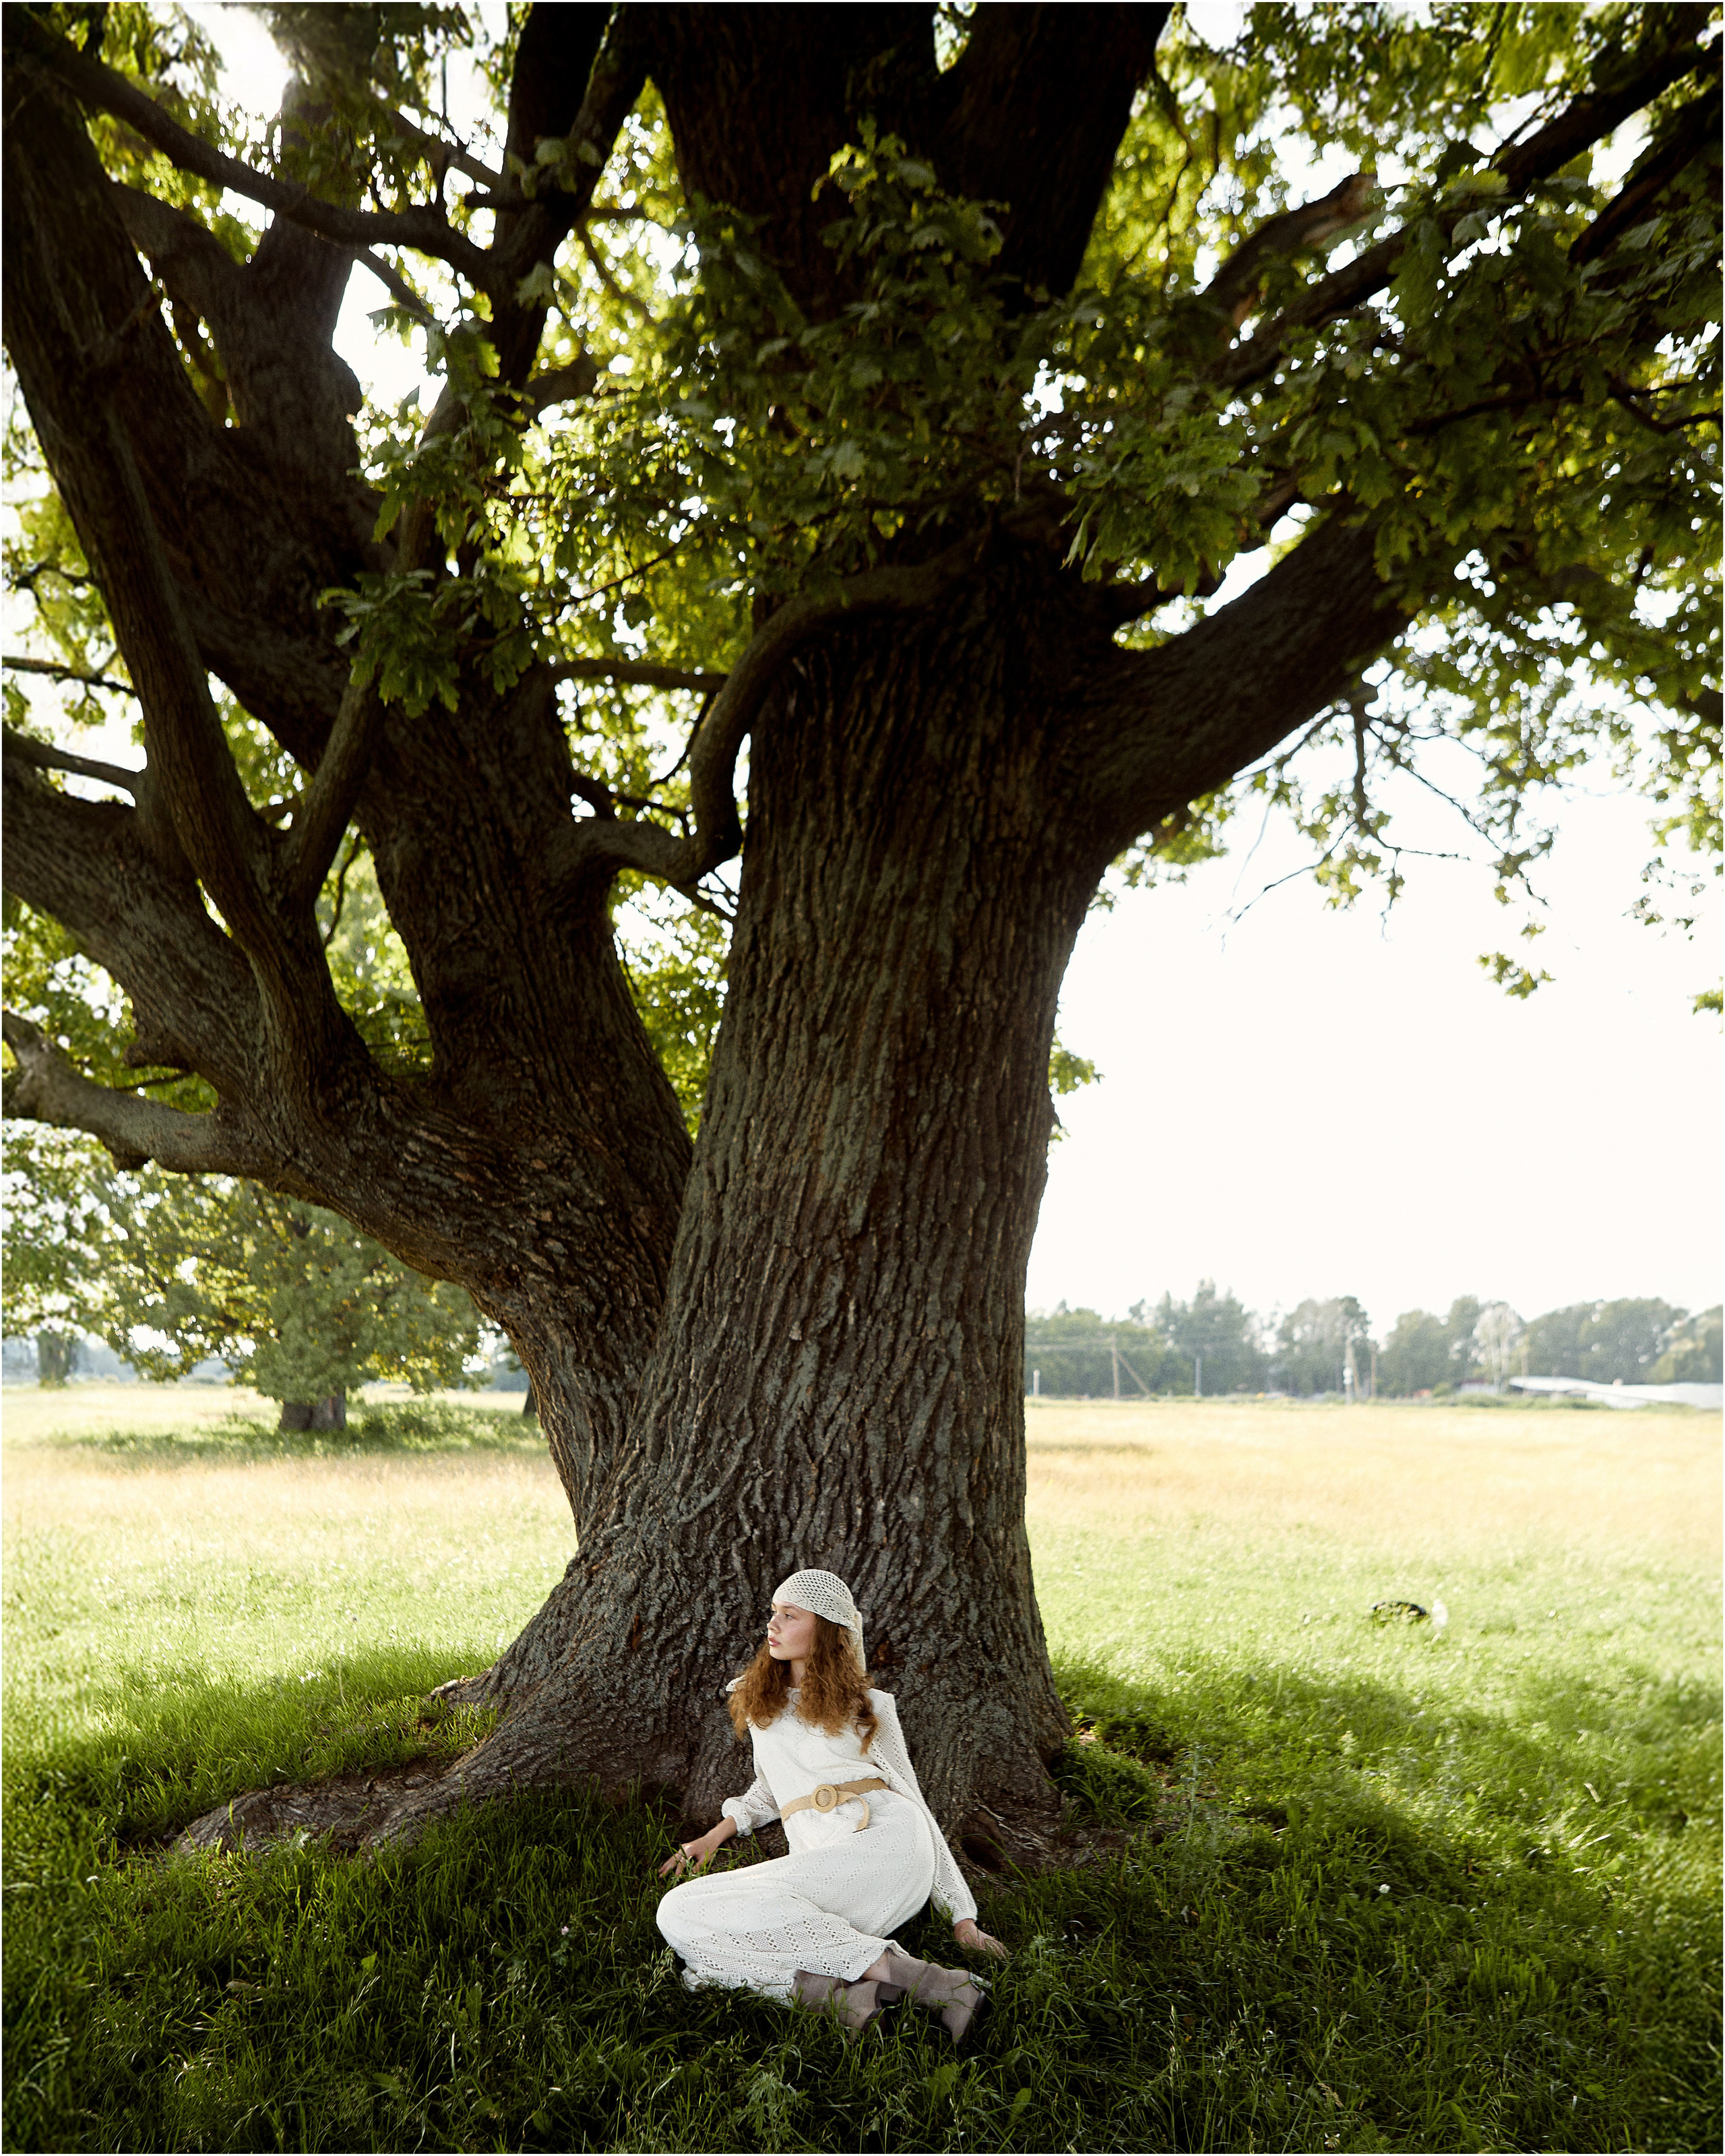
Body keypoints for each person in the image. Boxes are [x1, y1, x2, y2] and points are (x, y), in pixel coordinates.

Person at [654, 1568, 1008, 2041]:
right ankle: (868, 1995)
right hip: (824, 1858)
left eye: (789, 1615)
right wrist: (714, 1834)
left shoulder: (868, 1706)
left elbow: (916, 1802)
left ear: (824, 1628)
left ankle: (890, 1984)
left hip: (888, 1840)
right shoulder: (763, 1704)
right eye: (773, 1613)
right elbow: (769, 1791)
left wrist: (963, 1918)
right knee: (678, 1911)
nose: (772, 1625)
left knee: (706, 1929)